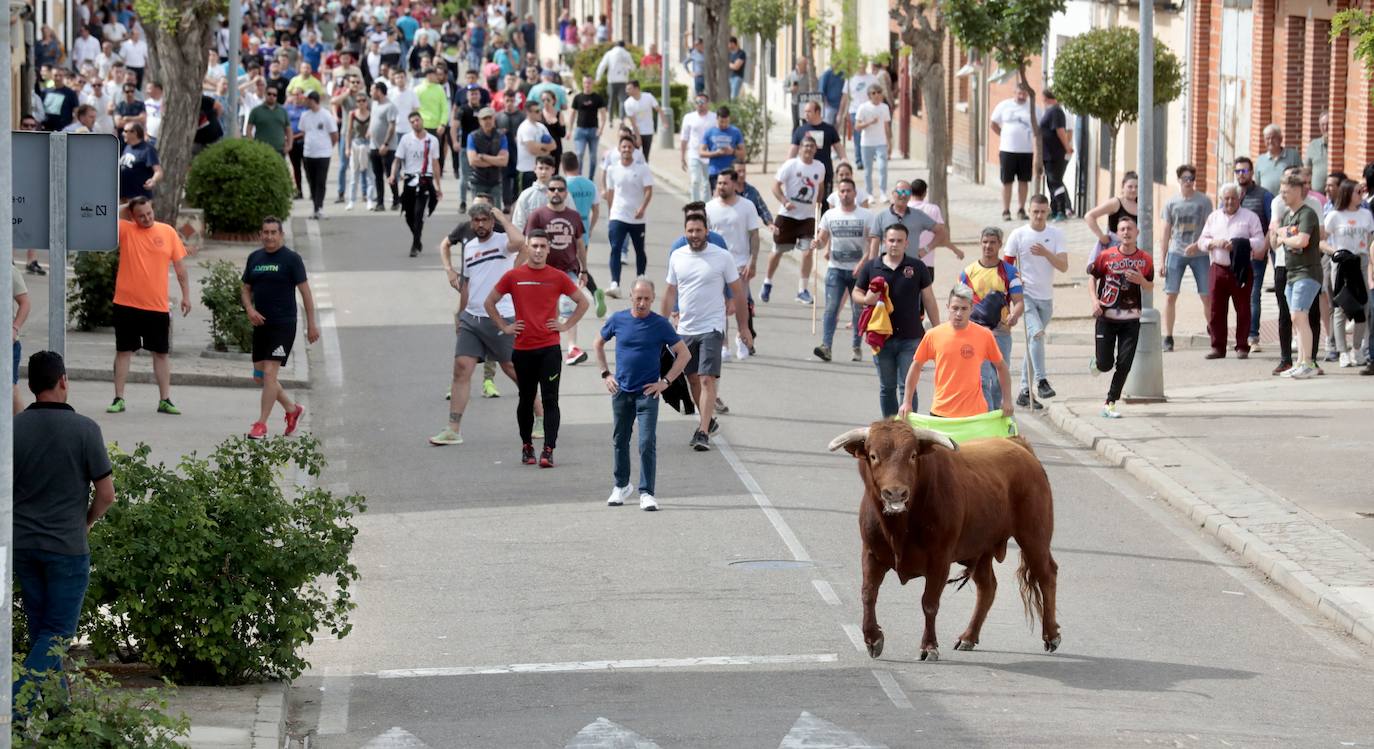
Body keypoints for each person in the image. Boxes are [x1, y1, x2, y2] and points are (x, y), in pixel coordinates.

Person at [12, 351, 116, 702]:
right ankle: (14, 706)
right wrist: (85, 522)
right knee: (57, 634)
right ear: (63, 381)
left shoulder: (13, 429)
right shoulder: (85, 430)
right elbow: (107, 494)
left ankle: (59, 714)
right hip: (67, 547)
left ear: (31, 386)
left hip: (23, 545)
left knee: (42, 632)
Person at [487, 230, 590, 468]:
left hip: (549, 349)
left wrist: (565, 325)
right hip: (523, 349)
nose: (538, 250)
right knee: (526, 399)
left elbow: (583, 302)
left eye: (543, 246)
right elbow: (489, 302)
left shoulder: (557, 277)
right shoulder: (514, 276)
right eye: (534, 246)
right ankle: (527, 446)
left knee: (551, 400)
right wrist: (505, 326)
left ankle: (548, 449)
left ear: (548, 250)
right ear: (528, 247)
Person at [431, 204, 529, 445]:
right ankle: (453, 429)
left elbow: (521, 242)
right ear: (471, 223)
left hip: (501, 316)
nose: (481, 224)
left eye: (485, 220)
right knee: (461, 368)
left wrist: (502, 218)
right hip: (472, 318)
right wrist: (461, 313)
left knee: (511, 368)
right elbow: (468, 284)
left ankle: (540, 414)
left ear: (492, 221)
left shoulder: (502, 242)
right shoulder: (470, 248)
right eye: (476, 220)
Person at [594, 278, 692, 511]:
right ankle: (621, 485)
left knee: (647, 442)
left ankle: (647, 492)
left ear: (653, 299)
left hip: (648, 393)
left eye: (647, 299)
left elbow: (684, 354)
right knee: (620, 439)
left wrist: (665, 382)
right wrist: (606, 374)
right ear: (631, 296)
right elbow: (598, 344)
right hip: (622, 391)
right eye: (638, 298)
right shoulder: (618, 320)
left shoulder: (660, 324)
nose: (642, 303)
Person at [662, 215, 753, 452]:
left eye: (698, 230)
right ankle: (708, 420)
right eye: (690, 231)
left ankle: (702, 432)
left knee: (706, 378)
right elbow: (670, 292)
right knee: (692, 379)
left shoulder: (722, 256)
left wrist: (743, 327)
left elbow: (738, 292)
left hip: (712, 327)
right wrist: (660, 327)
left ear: (707, 231)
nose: (694, 235)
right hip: (685, 329)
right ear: (685, 232)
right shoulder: (677, 256)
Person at [108, 197, 191, 415]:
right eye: (141, 216)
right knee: (123, 351)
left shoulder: (168, 232)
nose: (146, 218)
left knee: (161, 353)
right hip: (126, 304)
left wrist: (186, 296)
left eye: (149, 213)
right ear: (132, 216)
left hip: (157, 306)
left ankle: (165, 399)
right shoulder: (125, 230)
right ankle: (119, 398)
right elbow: (107, 216)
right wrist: (126, 208)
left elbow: (180, 268)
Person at [241, 217, 320, 439]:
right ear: (260, 234)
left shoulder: (291, 259)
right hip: (261, 324)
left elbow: (305, 293)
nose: (269, 236)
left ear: (281, 235)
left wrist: (311, 324)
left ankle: (261, 425)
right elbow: (246, 289)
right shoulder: (254, 258)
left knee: (269, 374)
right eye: (265, 232)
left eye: (273, 232)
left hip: (283, 324)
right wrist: (249, 309)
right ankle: (293, 410)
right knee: (260, 377)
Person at [853, 224, 939, 418]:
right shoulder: (872, 266)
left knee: (908, 387)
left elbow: (929, 299)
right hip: (881, 338)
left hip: (910, 338)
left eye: (899, 241)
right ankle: (889, 427)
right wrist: (866, 299)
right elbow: (856, 292)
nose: (895, 244)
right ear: (885, 241)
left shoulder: (917, 267)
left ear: (906, 243)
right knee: (887, 386)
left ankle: (908, 428)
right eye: (891, 240)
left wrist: (938, 330)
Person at [898, 284, 1013, 420]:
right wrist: (907, 401)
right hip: (941, 412)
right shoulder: (933, 335)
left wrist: (1007, 400)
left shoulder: (984, 335)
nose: (959, 314)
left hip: (975, 414)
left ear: (972, 309)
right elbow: (916, 366)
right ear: (948, 307)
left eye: (964, 308)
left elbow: (1001, 367)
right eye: (955, 308)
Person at [1002, 195, 1068, 408]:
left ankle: (1024, 390)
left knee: (1034, 343)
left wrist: (1046, 252)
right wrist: (1016, 279)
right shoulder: (1018, 234)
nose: (1039, 216)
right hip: (1025, 296)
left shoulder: (1056, 234)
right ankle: (1041, 381)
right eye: (1035, 212)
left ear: (1048, 211)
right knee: (1037, 334)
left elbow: (1063, 266)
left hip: (1046, 298)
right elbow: (1006, 267)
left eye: (1042, 211)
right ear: (1029, 211)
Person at [1089, 215, 1154, 418]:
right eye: (1123, 229)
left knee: (1124, 364)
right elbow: (1092, 277)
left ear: (1137, 233)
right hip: (1106, 318)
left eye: (1130, 229)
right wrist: (1094, 301)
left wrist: (1141, 280)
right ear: (1117, 234)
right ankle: (1097, 361)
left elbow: (1150, 286)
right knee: (1105, 365)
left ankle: (1110, 403)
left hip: (1131, 320)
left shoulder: (1145, 259)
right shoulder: (1106, 256)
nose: (1126, 232)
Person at [526, 176, 592, 365]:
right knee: (546, 311)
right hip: (542, 271)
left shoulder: (573, 216)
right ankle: (543, 346)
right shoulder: (538, 215)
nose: (556, 192)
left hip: (568, 271)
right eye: (552, 189)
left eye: (560, 189)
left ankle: (572, 348)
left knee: (569, 305)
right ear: (547, 192)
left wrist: (584, 270)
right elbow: (528, 244)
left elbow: (580, 244)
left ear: (566, 193)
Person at [1194, 183, 1264, 361]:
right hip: (1218, 268)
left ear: (1239, 198)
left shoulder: (1250, 217)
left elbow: (1260, 241)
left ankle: (1242, 346)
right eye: (1226, 198)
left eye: (1233, 198)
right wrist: (1213, 243)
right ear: (1221, 199)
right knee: (1216, 309)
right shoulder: (1214, 217)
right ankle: (1217, 347)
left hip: (1241, 268)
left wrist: (1239, 243)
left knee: (1243, 309)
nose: (1230, 202)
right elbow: (1202, 241)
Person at [958, 227, 1023, 411]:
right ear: (980, 243)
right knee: (983, 379)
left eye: (992, 242)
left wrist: (1015, 315)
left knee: (999, 380)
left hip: (1000, 334)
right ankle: (987, 417)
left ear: (1000, 245)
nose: (988, 246)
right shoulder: (967, 273)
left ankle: (998, 414)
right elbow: (959, 301)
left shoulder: (1009, 272)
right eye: (985, 242)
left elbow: (1019, 301)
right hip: (975, 333)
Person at [706, 168, 764, 359]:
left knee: (741, 304)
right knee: (720, 306)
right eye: (719, 183)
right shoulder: (709, 207)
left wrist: (753, 261)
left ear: (734, 184)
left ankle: (742, 337)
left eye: (725, 183)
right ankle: (724, 345)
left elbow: (754, 235)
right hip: (716, 266)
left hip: (740, 265)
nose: (721, 186)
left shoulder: (747, 206)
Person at [813, 178, 872, 363]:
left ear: (855, 193)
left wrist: (862, 263)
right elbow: (823, 239)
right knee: (831, 308)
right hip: (836, 270)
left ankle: (856, 345)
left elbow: (873, 244)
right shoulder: (830, 215)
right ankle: (826, 346)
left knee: (858, 310)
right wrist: (818, 243)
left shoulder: (866, 216)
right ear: (838, 194)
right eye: (842, 191)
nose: (845, 194)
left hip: (858, 271)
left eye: (848, 191)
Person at [764, 137, 827, 305]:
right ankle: (767, 281)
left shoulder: (820, 167)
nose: (808, 149)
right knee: (778, 250)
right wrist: (785, 201)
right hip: (787, 216)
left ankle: (802, 290)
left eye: (812, 146)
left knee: (808, 252)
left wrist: (818, 205)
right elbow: (775, 186)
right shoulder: (790, 165)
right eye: (806, 146)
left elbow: (820, 187)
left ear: (815, 149)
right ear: (800, 149)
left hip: (808, 217)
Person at [1275, 174, 1326, 379]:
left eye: (1286, 192)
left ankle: (1308, 363)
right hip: (1291, 273)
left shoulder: (1307, 214)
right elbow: (1276, 241)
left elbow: (1302, 241)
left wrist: (1284, 236)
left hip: (1307, 272)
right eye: (1281, 192)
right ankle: (1299, 362)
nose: (1282, 196)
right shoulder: (1287, 216)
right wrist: (1279, 234)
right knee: (1295, 318)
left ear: (1297, 191)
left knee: (1299, 315)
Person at [1159, 164, 1215, 351]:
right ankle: (1168, 337)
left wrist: (1198, 244)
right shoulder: (1171, 203)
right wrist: (1162, 261)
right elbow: (1165, 232)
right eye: (1185, 179)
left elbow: (1210, 228)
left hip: (1199, 253)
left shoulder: (1204, 201)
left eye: (1191, 178)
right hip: (1176, 252)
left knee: (1206, 295)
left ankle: (1213, 331)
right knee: (1170, 295)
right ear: (1179, 180)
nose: (1188, 182)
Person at [1324, 179, 1374, 367]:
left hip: (1360, 262)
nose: (1361, 195)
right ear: (1347, 194)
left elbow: (1370, 239)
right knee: (1340, 307)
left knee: (1363, 305)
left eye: (1362, 192)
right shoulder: (1334, 216)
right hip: (1342, 264)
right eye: (1357, 192)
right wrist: (1335, 252)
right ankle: (1342, 351)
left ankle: (1357, 349)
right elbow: (1321, 240)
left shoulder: (1366, 214)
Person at [604, 137, 655, 295]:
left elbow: (648, 190)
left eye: (629, 147)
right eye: (624, 146)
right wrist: (611, 213)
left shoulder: (642, 169)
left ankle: (640, 279)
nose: (626, 149)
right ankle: (615, 284)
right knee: (615, 248)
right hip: (618, 215)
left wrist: (642, 208)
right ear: (619, 149)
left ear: (634, 149)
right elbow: (610, 192)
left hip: (637, 217)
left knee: (639, 249)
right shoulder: (612, 169)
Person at [867, 180, 956, 270]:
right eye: (900, 192)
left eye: (907, 192)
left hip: (911, 269)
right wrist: (871, 269)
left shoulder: (918, 215)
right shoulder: (881, 217)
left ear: (910, 195)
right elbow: (874, 245)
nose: (903, 195)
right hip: (886, 269)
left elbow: (941, 232)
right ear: (893, 194)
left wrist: (926, 250)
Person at [1235, 156, 1275, 351]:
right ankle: (1240, 337)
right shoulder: (1231, 194)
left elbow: (1273, 224)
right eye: (1238, 171)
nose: (1241, 174)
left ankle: (1253, 336)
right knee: (1237, 295)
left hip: (1256, 255)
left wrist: (1263, 248)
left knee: (1253, 295)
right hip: (1235, 255)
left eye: (1244, 171)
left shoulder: (1264, 195)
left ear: (1251, 173)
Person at [392, 110, 443, 257]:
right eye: (412, 122)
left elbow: (435, 163)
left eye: (417, 120)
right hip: (409, 179)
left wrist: (438, 186)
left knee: (419, 213)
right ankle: (417, 238)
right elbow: (397, 159)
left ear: (422, 120)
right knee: (409, 215)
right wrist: (392, 174)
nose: (416, 123)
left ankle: (414, 246)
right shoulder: (406, 139)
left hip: (425, 179)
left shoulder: (432, 140)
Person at [561, 152, 605, 317]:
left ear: (563, 166)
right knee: (579, 265)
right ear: (578, 165)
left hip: (567, 230)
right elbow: (596, 210)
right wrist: (591, 228)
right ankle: (593, 292)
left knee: (570, 267)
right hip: (584, 228)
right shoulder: (590, 184)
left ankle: (571, 300)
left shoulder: (564, 185)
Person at [790, 101, 846, 210]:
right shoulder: (800, 131)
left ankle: (823, 221)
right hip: (805, 175)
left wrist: (844, 161)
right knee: (805, 201)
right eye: (805, 112)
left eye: (809, 112)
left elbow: (839, 149)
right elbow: (792, 151)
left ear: (818, 112)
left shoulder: (829, 129)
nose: (806, 114)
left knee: (824, 203)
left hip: (825, 173)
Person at [990, 84, 1034, 221]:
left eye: (1024, 94)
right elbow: (993, 124)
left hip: (1026, 150)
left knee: (1023, 181)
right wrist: (1004, 135)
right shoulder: (1004, 105)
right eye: (1019, 93)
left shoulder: (1033, 108)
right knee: (1007, 181)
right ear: (1014, 93)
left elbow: (1039, 128)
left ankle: (1021, 209)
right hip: (1007, 150)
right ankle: (1006, 210)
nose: (1021, 96)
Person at [299, 91, 338, 219]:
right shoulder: (305, 115)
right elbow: (303, 133)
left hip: (323, 154)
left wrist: (328, 147)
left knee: (321, 181)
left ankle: (319, 207)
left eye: (307, 99)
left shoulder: (326, 115)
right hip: (308, 153)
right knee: (312, 181)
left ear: (312, 100)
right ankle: (315, 207)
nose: (305, 102)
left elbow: (334, 135)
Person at [466, 106, 509, 209]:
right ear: (479, 121)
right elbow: (473, 161)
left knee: (496, 212)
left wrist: (483, 156)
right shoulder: (472, 136)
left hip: (495, 182)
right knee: (478, 212)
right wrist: (495, 160)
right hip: (478, 181)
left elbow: (504, 161)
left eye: (490, 118)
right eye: (485, 118)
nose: (488, 121)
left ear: (494, 119)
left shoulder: (501, 136)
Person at [1040, 89, 1074, 220]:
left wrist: (1067, 147)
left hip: (1055, 153)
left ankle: (1061, 210)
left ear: (1046, 98)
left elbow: (1060, 131)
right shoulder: (1051, 111)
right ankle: (1054, 209)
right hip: (1048, 154)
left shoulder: (1056, 111)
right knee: (1051, 182)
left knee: (1056, 181)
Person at [1085, 171, 1140, 250]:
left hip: (1134, 248)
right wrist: (1101, 236)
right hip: (1115, 248)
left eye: (1136, 187)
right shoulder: (1116, 203)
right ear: (1123, 187)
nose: (1133, 190)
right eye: (1130, 187)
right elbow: (1089, 216)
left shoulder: (1141, 205)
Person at [368, 81, 400, 212]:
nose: (370, 93)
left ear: (379, 91)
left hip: (387, 147)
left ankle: (396, 199)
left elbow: (392, 126)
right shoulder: (374, 104)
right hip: (374, 146)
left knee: (390, 175)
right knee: (377, 176)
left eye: (372, 90)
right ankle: (380, 202)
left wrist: (385, 144)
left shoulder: (390, 106)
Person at [855, 85, 891, 197]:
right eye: (874, 93)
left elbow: (887, 126)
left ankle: (883, 192)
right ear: (869, 95)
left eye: (879, 92)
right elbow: (857, 126)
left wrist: (889, 142)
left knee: (882, 167)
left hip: (881, 142)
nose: (877, 95)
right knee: (868, 170)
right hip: (867, 143)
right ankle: (869, 193)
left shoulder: (885, 107)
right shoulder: (863, 107)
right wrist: (870, 122)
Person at [680, 95, 717, 203]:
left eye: (702, 102)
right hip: (694, 154)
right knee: (695, 181)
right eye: (697, 102)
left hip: (709, 154)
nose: (700, 104)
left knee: (707, 183)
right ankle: (694, 205)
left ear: (708, 103)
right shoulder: (689, 117)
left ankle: (706, 207)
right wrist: (682, 157)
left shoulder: (714, 117)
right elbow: (684, 138)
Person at [701, 106, 746, 195]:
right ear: (717, 119)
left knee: (732, 197)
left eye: (726, 122)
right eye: (721, 122)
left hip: (731, 172)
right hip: (715, 172)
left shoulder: (736, 132)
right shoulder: (709, 132)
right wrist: (716, 153)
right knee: (717, 198)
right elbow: (701, 152)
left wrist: (732, 151)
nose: (724, 124)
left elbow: (743, 153)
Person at [570, 76, 607, 180]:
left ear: (592, 84)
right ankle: (579, 177)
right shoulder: (578, 97)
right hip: (580, 130)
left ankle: (590, 178)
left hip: (593, 130)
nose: (587, 85)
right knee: (579, 154)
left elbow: (603, 115)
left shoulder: (597, 98)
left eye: (589, 83)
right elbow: (572, 114)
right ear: (582, 83)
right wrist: (570, 130)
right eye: (585, 82)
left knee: (593, 156)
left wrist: (601, 129)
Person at [515, 99, 554, 191]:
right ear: (528, 112)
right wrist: (546, 150)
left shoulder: (541, 127)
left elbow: (553, 145)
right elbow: (532, 150)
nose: (540, 113)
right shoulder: (525, 128)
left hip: (540, 171)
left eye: (540, 110)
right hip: (526, 171)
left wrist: (540, 147)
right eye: (537, 111)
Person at [118, 122, 162, 202]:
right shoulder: (127, 147)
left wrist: (153, 180)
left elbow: (158, 171)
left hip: (139, 199)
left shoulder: (148, 149)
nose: (123, 133)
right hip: (123, 196)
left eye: (125, 131)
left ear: (134, 133)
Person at [1255, 124, 1302, 195]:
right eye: (1267, 138)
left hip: (1289, 199)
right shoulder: (1260, 160)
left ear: (1281, 139)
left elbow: (1301, 178)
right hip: (1266, 200)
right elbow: (1257, 185)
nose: (1270, 141)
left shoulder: (1293, 156)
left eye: (1273, 138)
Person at [247, 85, 291, 156]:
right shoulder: (256, 111)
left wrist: (289, 145)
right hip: (261, 150)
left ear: (276, 97)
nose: (271, 96)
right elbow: (248, 129)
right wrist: (253, 144)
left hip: (279, 150)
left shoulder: (283, 111)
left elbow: (288, 129)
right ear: (265, 94)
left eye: (274, 95)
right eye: (269, 94)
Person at [622, 80, 659, 159]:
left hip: (648, 131)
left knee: (645, 157)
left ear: (636, 89)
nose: (627, 91)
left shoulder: (648, 97)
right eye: (626, 89)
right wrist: (638, 137)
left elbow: (658, 109)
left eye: (629, 89)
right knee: (634, 156)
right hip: (635, 132)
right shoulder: (627, 103)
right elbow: (633, 123)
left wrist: (664, 121)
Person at [12, 265, 31, 412]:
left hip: (6, 343)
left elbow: (25, 302)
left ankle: (19, 423)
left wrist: (15, 328)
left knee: (10, 387)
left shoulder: (8, 270)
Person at [784, 59, 816, 133]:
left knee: (806, 123)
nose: (806, 66)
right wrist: (791, 89)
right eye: (804, 64)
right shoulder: (791, 75)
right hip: (795, 103)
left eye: (806, 64)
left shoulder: (809, 76)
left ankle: (805, 139)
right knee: (796, 124)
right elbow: (784, 87)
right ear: (798, 65)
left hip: (806, 104)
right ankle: (795, 139)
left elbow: (815, 86)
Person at [1305, 112, 1330, 192]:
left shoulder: (1339, 145)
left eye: (1328, 124)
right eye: (1323, 125)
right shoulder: (1313, 145)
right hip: (1316, 194)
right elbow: (1307, 170)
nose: (1325, 127)